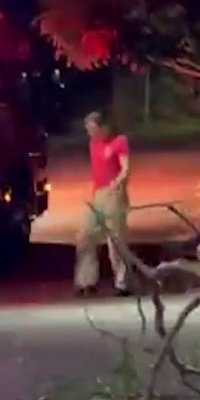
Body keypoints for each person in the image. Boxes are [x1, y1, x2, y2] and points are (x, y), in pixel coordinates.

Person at [74, 111, 131, 296]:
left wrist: (118, 182)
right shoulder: (94, 144)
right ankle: (86, 281)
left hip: (114, 194)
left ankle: (122, 282)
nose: (90, 133)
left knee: (115, 239)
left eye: (93, 129)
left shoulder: (119, 141)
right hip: (98, 194)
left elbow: (125, 167)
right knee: (86, 236)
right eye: (88, 129)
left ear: (103, 127)